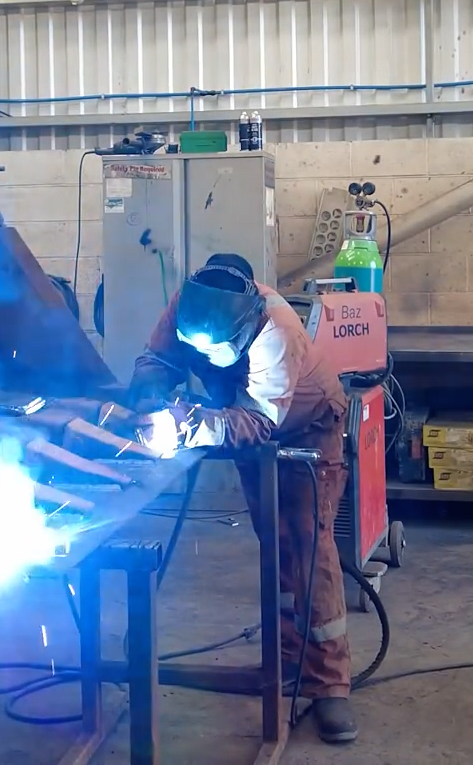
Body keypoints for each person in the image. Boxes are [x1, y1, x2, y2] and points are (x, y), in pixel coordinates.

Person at [126, 253, 358, 745]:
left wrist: (192, 426)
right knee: (274, 541)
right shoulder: (188, 305)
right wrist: (148, 393)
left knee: (308, 547)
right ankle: (288, 658)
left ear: (246, 324)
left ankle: (330, 684)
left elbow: (258, 420)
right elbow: (158, 358)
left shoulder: (276, 329)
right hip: (241, 422)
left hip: (308, 429)